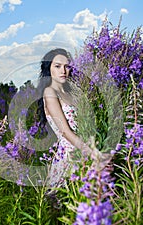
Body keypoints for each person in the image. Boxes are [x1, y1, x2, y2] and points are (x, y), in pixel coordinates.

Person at [37, 48, 93, 188]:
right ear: (48, 69)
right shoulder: (50, 92)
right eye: (57, 66)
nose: (63, 70)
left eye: (66, 66)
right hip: (69, 155)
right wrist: (93, 154)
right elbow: (65, 132)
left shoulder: (70, 92)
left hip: (83, 148)